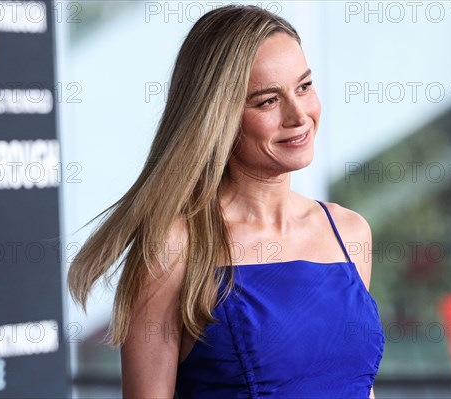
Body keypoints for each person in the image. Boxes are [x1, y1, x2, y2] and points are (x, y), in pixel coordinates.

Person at [67, 4, 385, 398]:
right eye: (268, 101)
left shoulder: (348, 232)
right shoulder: (173, 248)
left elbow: (359, 386)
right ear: (219, 116)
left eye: (304, 86)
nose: (299, 114)